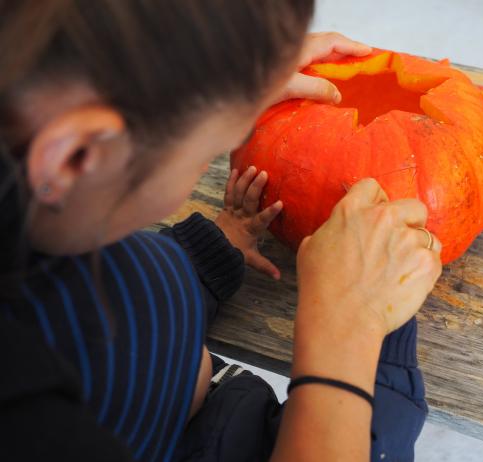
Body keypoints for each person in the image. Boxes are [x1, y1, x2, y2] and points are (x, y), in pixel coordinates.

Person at [0, 1, 442, 461]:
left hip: (159, 371)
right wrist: (347, 329)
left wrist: (215, 246)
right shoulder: (28, 427)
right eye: (208, 151)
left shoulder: (45, 189)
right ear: (76, 157)